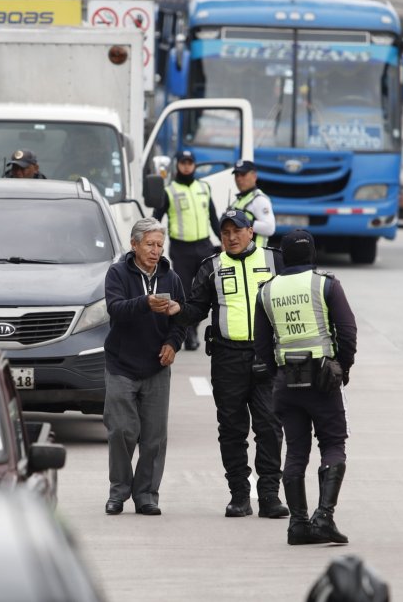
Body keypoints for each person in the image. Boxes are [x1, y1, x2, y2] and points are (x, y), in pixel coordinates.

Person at [170, 209, 288, 518]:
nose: (231, 237)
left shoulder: (275, 260)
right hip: (227, 358)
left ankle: (270, 496)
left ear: (251, 231)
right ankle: (239, 495)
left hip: (266, 357)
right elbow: (196, 309)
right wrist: (176, 310)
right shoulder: (211, 266)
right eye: (225, 233)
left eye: (237, 231)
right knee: (232, 430)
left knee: (269, 427)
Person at [254, 229, 358, 545]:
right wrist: (343, 368)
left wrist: (279, 372)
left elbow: (262, 345)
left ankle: (298, 524)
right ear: (311, 253)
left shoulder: (267, 291)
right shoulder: (325, 284)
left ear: (284, 256)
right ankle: (324, 516)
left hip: (287, 381)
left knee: (296, 451)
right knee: (333, 443)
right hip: (323, 379)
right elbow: (348, 332)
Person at [102, 217, 186, 517]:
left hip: (156, 366)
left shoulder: (171, 278)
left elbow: (181, 319)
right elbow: (115, 309)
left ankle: (147, 495)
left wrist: (173, 344)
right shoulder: (117, 273)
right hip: (121, 365)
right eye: (150, 244)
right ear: (134, 244)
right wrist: (145, 303)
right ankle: (118, 492)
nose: (155, 251)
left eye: (160, 245)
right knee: (121, 431)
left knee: (154, 438)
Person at [152, 150, 222, 351]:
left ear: (194, 165)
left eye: (190, 162)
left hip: (204, 246)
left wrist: (223, 239)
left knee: (204, 291)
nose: (186, 166)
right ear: (177, 165)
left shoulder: (204, 187)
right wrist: (154, 242)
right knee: (184, 292)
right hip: (181, 248)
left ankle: (193, 329)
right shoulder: (169, 191)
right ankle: (186, 333)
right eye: (183, 162)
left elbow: (213, 218)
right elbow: (156, 219)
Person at [228, 160, 276, 247]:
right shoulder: (238, 200)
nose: (239, 179)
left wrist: (243, 222)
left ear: (254, 176)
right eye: (236, 175)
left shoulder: (259, 199)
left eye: (243, 174)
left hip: (256, 253)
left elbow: (270, 228)